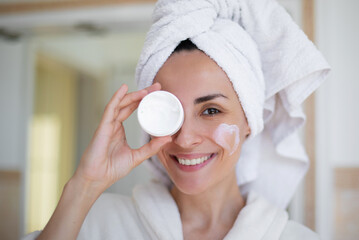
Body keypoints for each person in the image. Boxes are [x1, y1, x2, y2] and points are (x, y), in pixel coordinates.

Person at [24, 0, 330, 239]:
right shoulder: (97, 225)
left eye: (210, 110)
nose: (184, 139)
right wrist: (85, 185)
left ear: (250, 120)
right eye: (170, 110)